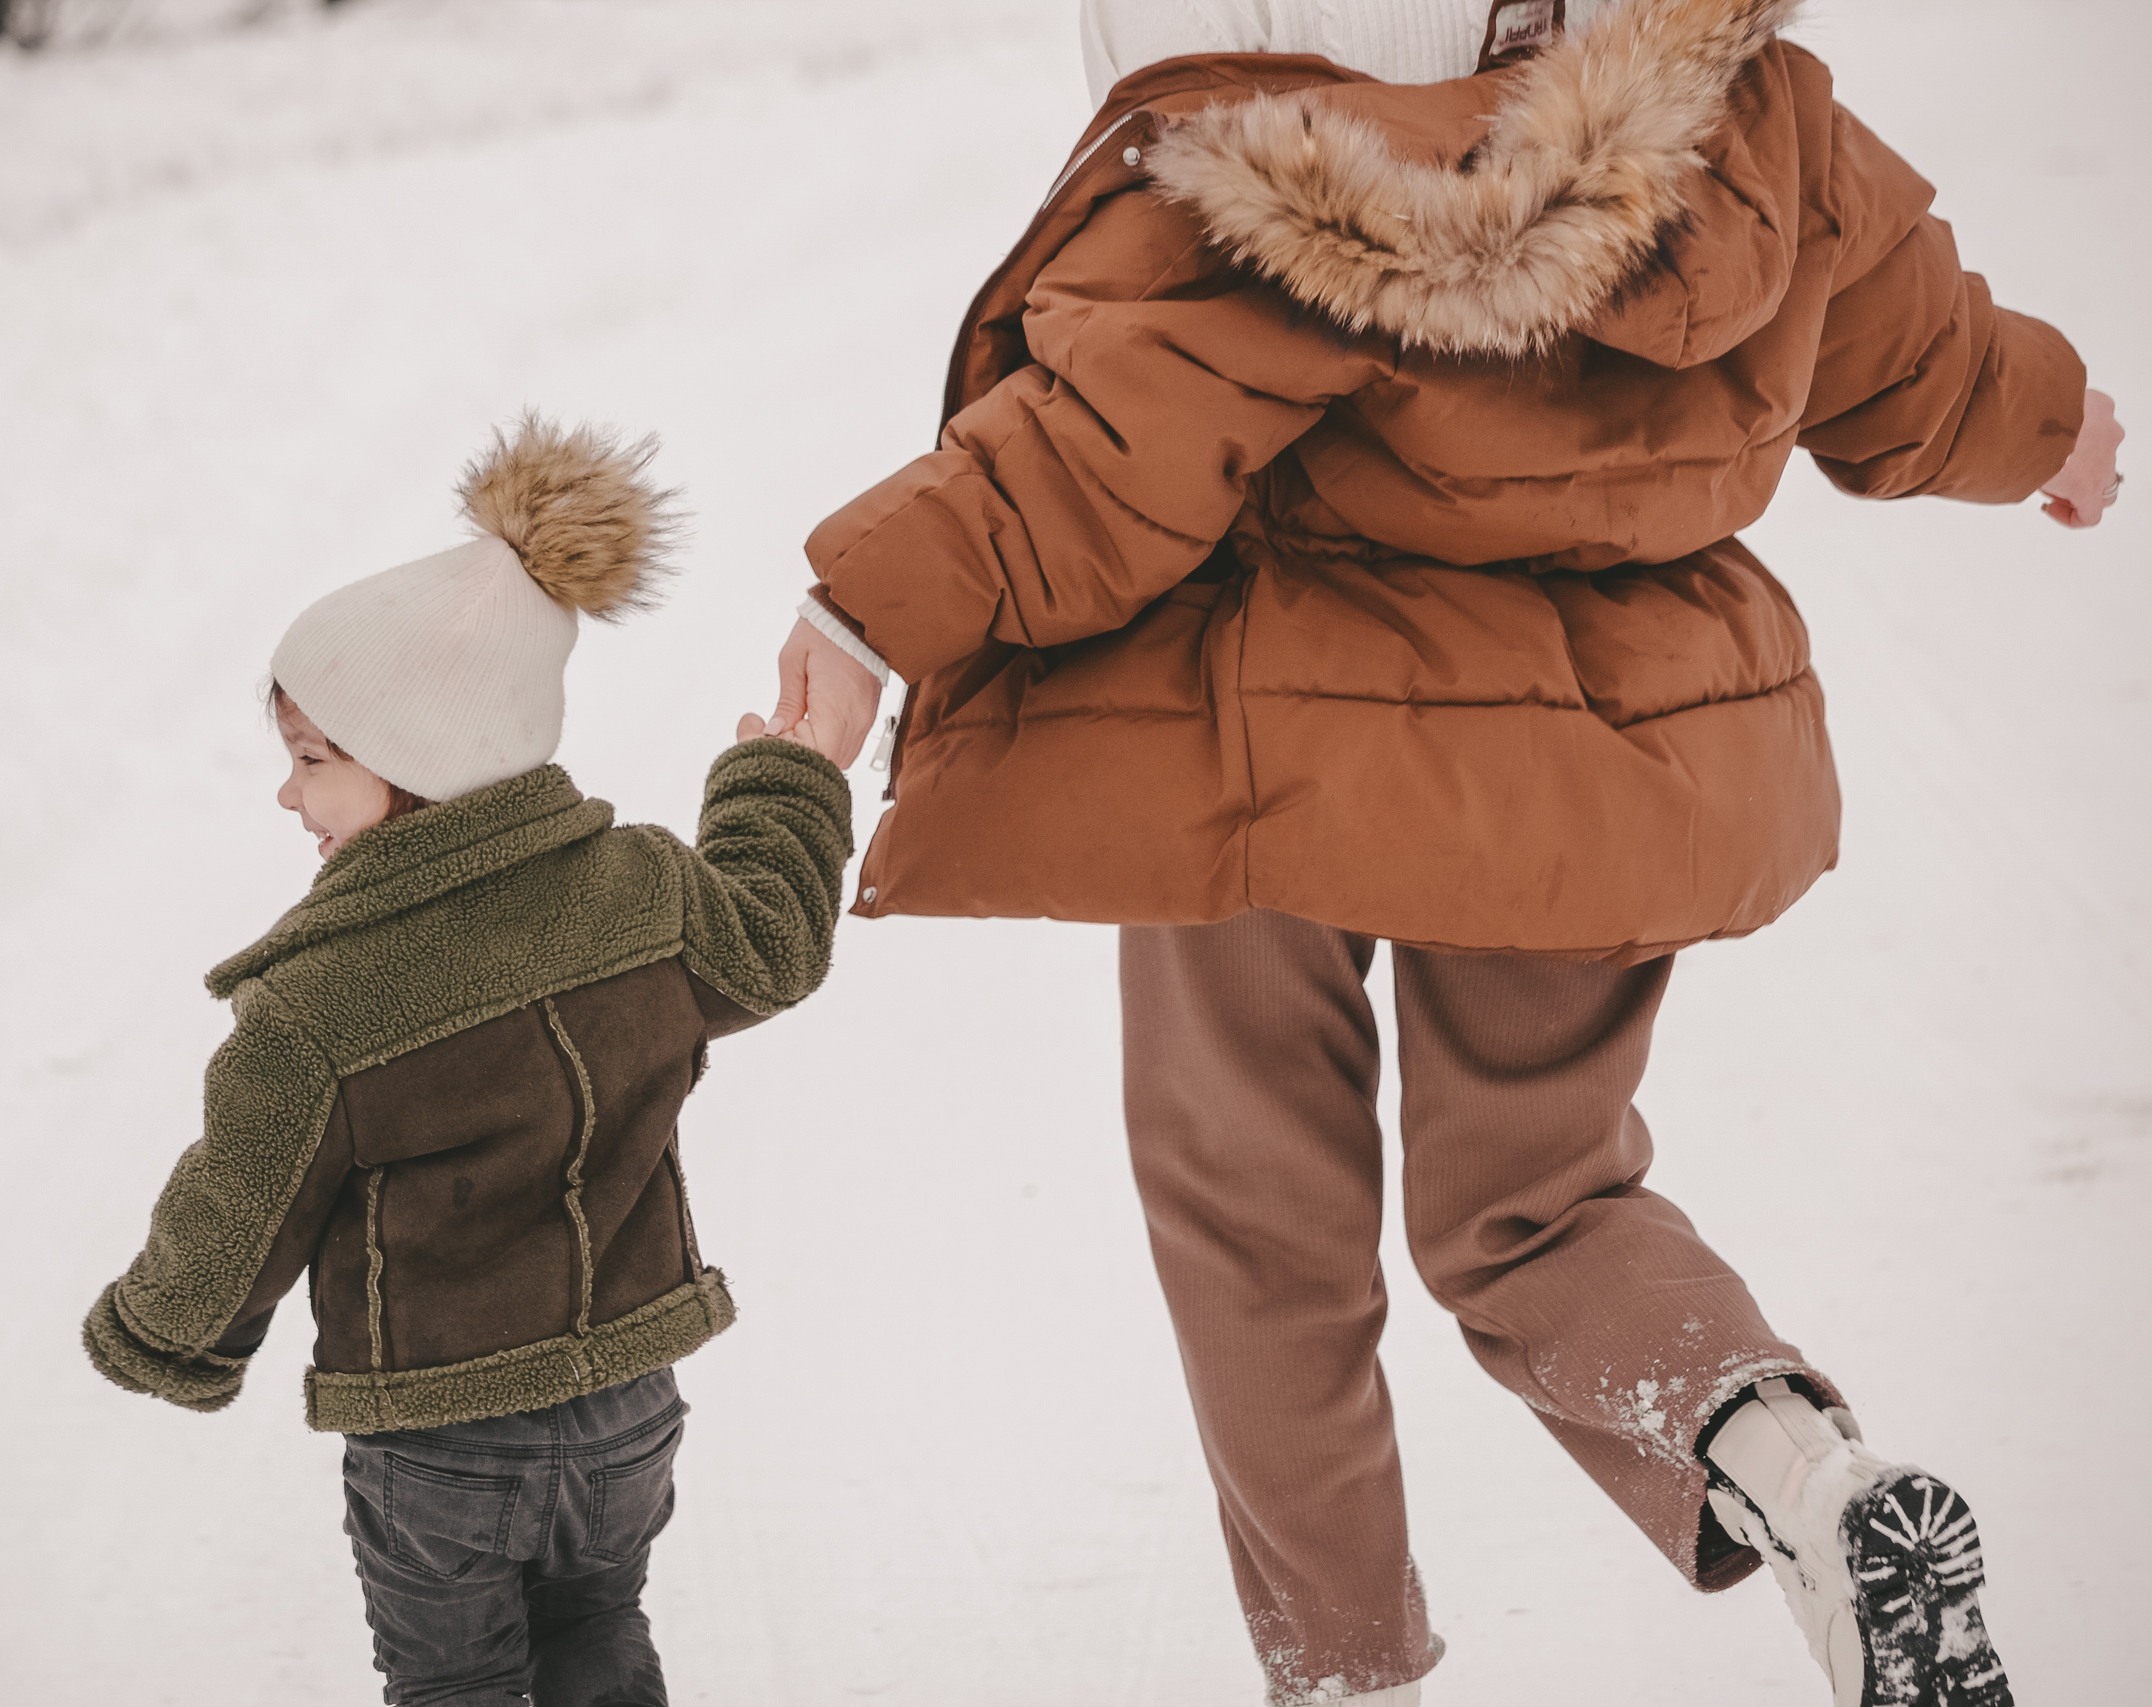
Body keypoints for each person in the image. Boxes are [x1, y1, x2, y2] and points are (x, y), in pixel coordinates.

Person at [763, 1, 2125, 1702]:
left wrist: (865, 606)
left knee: (1258, 1217)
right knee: (1538, 1204)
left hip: (1253, 755)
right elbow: (1914, 348)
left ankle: (1346, 1673)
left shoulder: (1283, 175)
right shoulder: (1742, 119)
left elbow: (1099, 450)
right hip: (1577, 774)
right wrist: (2054, 421)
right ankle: (1801, 1478)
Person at [83, 416, 854, 1706]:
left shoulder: (320, 1006)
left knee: (455, 1687)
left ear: (421, 765)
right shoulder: (642, 898)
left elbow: (237, 1212)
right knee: (599, 1636)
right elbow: (771, 940)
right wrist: (778, 777)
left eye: (315, 762)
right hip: (628, 1413)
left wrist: (160, 1333)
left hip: (440, 1441)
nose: (290, 796)